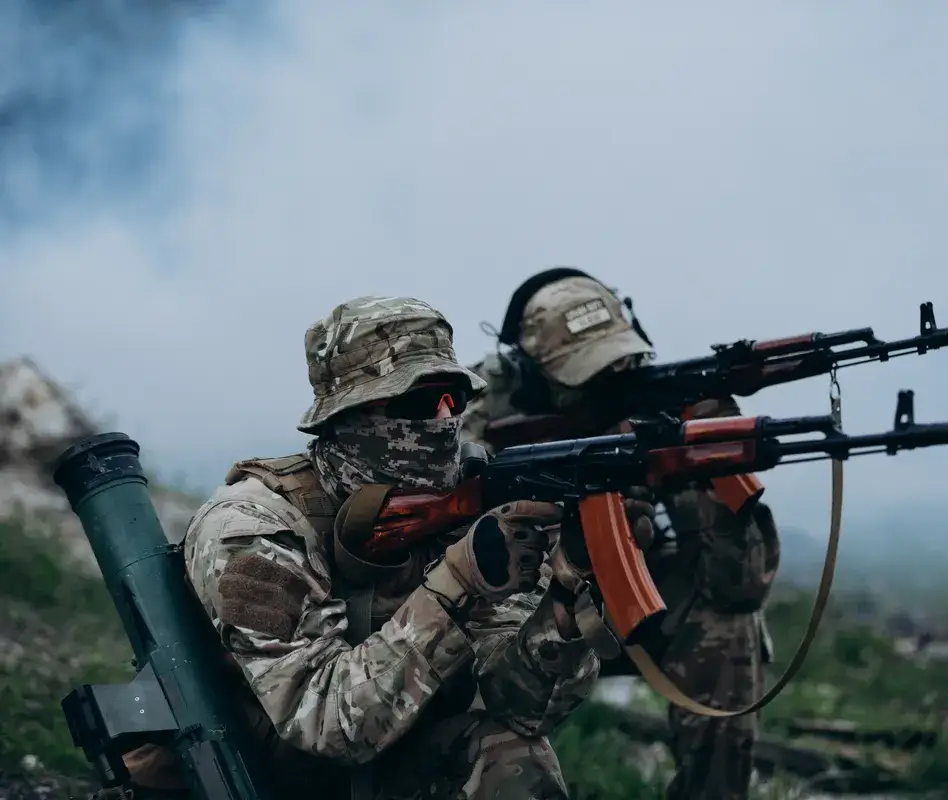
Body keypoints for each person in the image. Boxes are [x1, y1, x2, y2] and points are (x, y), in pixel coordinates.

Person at [162, 296, 648, 800]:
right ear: (347, 412)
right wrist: (455, 586)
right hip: (267, 782)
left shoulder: (463, 506)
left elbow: (526, 710)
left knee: (508, 753)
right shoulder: (253, 527)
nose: (442, 422)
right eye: (419, 403)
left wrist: (565, 609)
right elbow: (326, 725)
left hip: (393, 773)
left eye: (454, 401)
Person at [461, 269, 782, 800]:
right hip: (523, 618)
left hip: (637, 611)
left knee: (728, 628)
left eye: (619, 367)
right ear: (530, 371)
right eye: (585, 378)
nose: (610, 388)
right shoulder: (478, 407)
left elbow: (740, 585)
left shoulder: (657, 410)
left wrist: (706, 464)